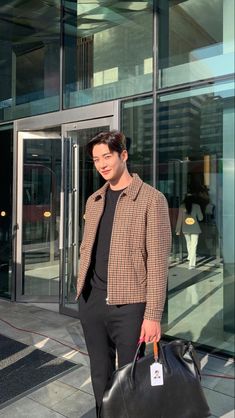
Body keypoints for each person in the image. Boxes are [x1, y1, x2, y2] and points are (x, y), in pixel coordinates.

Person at [76, 130, 171, 416]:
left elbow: (157, 261)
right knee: (100, 377)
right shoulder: (94, 201)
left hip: (130, 305)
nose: (102, 164)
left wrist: (153, 315)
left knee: (132, 380)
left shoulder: (151, 200)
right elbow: (87, 250)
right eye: (96, 159)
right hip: (92, 301)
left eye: (107, 156)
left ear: (123, 155)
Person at [175, 194, 203, 269]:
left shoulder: (182, 206)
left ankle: (190, 257)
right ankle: (192, 264)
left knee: (189, 243)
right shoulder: (197, 206)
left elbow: (179, 219)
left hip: (185, 228)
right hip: (195, 228)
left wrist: (178, 230)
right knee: (194, 245)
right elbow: (200, 218)